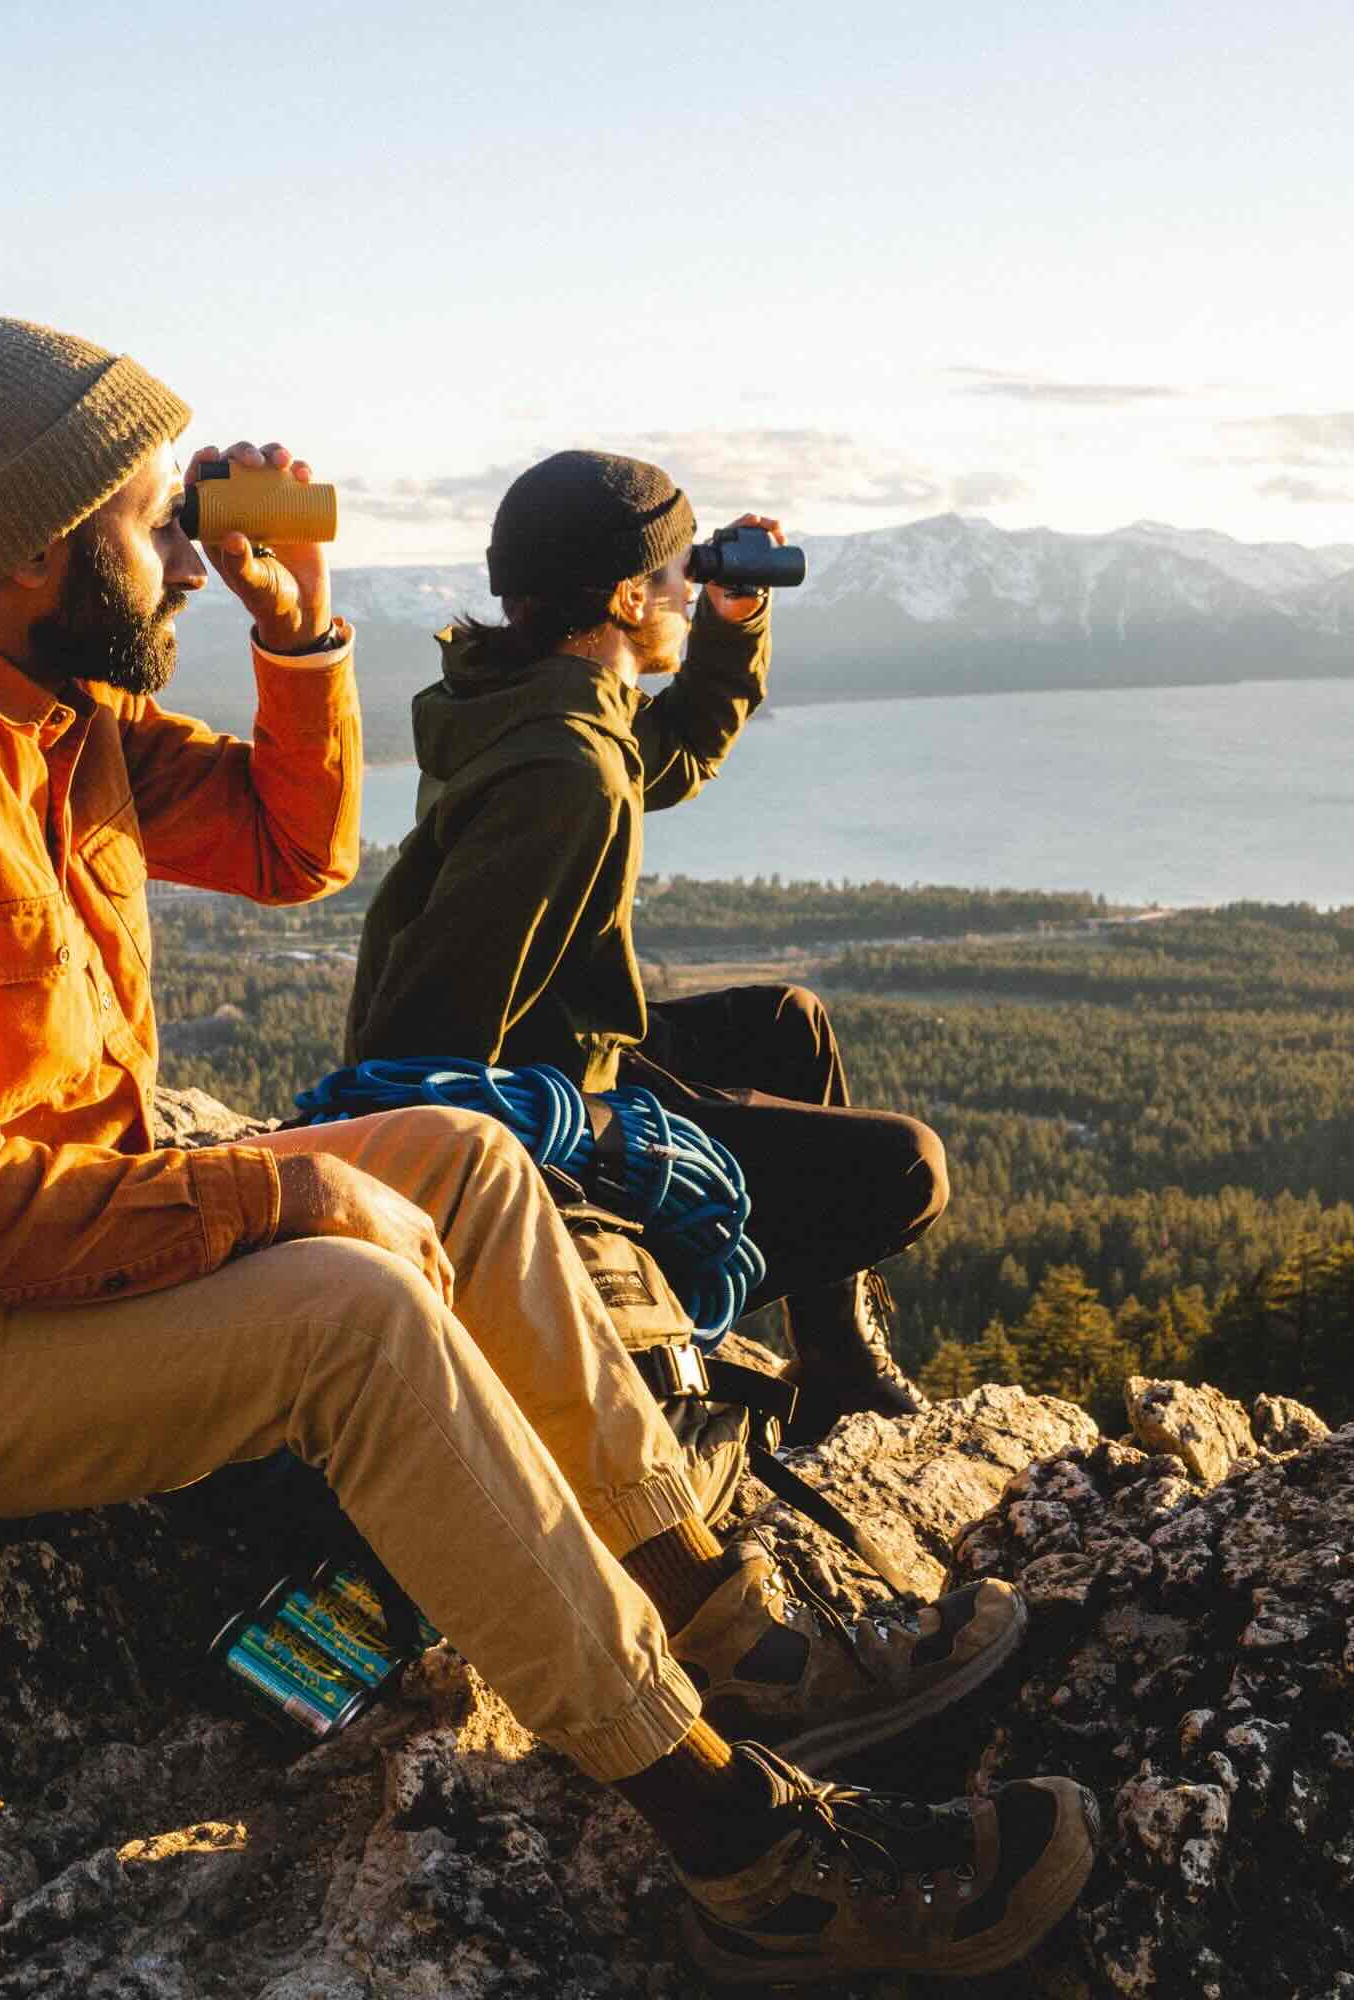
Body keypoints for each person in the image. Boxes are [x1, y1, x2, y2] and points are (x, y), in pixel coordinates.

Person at [0, 318, 1094, 1984]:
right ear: (39, 550)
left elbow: (292, 845)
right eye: (157, 526)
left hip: (22, 1258)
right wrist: (285, 1189)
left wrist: (298, 628)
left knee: (462, 1159)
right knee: (352, 1313)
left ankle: (728, 1633)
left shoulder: (48, 720)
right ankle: (743, 1852)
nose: (190, 562)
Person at [343, 451, 939, 1441]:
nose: (688, 588)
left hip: (555, 1043)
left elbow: (681, 750)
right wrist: (597, 1147)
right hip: (537, 1111)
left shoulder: (536, 698)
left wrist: (732, 623)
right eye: (676, 573)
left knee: (787, 1027)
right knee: (908, 1168)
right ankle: (644, 1310)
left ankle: (833, 1361)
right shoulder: (565, 772)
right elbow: (421, 1050)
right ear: (626, 597)